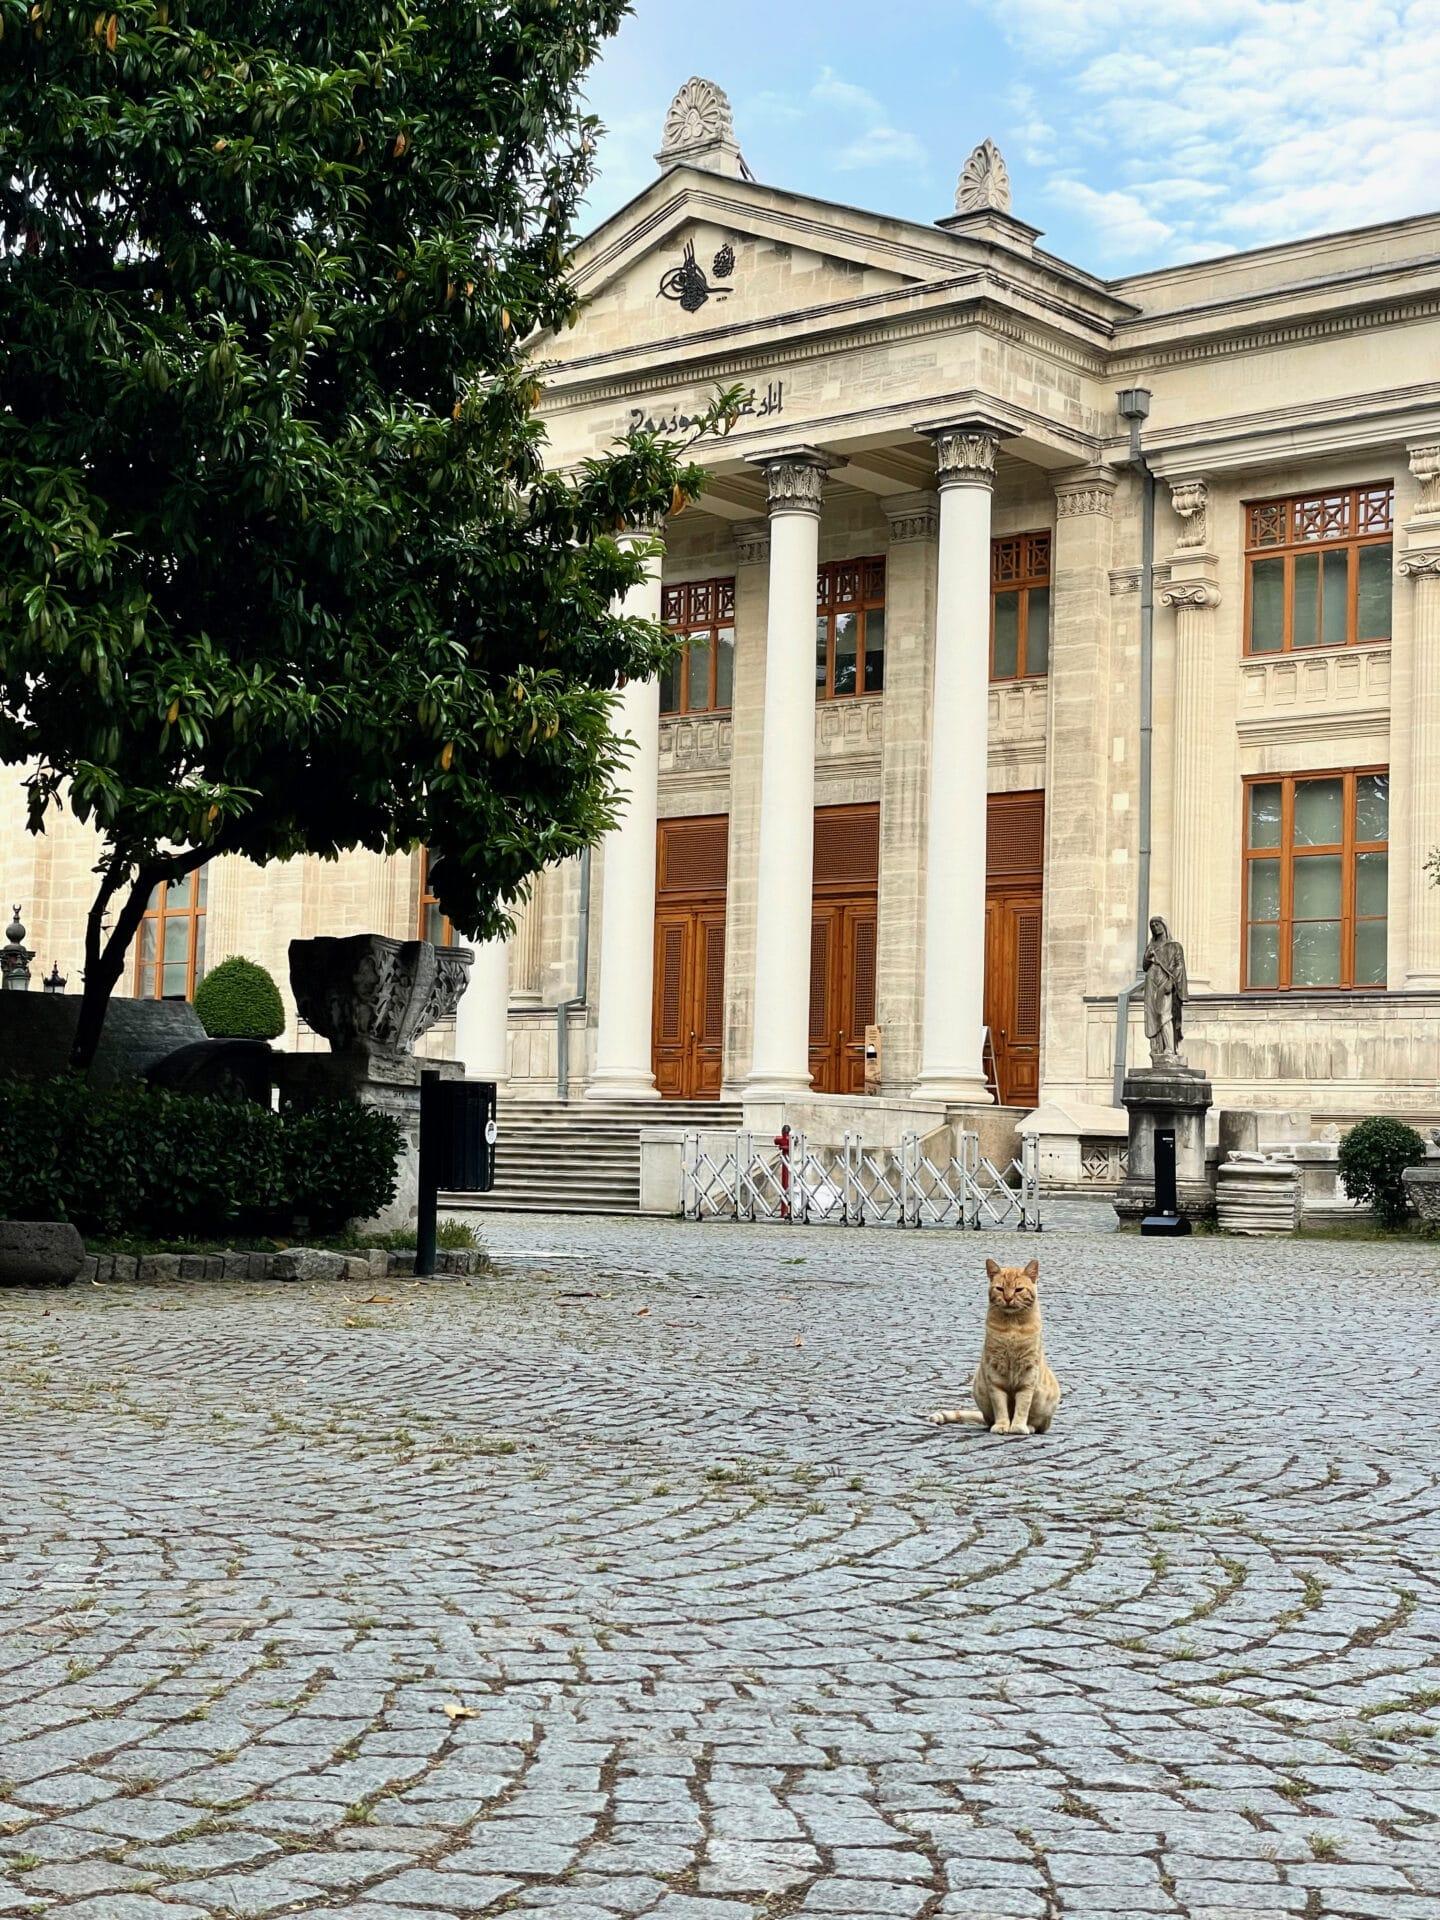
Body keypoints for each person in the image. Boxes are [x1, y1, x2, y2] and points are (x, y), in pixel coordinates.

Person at [1143, 916, 1188, 1066]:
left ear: (1164, 925)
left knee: (1164, 1015)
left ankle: (1169, 1048)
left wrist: (1171, 981)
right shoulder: (1150, 946)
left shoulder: (1174, 946)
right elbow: (1144, 966)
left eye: (1157, 924)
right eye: (1152, 925)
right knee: (1152, 1015)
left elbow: (1179, 966)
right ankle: (1157, 1049)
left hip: (1165, 981)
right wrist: (1148, 958)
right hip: (1151, 981)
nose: (1155, 927)